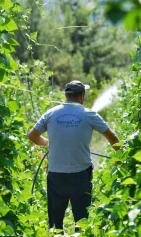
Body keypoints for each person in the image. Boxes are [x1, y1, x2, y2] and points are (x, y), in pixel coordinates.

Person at [27, 80, 120, 233]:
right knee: (82, 225)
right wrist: (120, 159)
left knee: (55, 227)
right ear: (82, 96)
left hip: (56, 176)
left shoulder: (51, 113)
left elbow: (32, 136)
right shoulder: (90, 114)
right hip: (81, 177)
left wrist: (48, 143)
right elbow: (112, 137)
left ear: (65, 95)